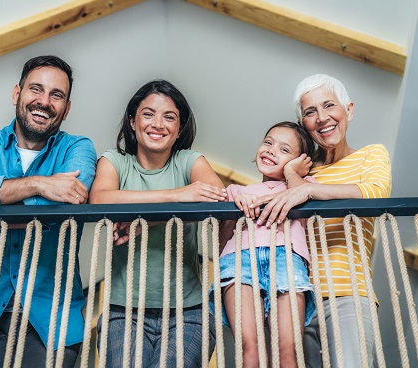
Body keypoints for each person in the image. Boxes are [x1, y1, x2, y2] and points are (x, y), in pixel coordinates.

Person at [0, 55, 97, 367]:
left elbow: (63, 209)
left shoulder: (78, 149)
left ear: (66, 109)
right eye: (36, 89)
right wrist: (39, 184)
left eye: (57, 95)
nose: (44, 102)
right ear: (17, 94)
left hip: (51, 323)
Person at [252, 74, 392, 367]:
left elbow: (376, 195)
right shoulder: (298, 169)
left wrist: (309, 188)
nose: (322, 117)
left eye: (329, 105)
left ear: (349, 110)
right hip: (293, 298)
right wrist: (294, 175)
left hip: (347, 294)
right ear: (304, 124)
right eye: (310, 112)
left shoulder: (370, 155)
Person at [89, 79, 226, 367]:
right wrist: (179, 195)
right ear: (132, 121)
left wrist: (144, 221)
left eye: (169, 117)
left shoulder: (189, 161)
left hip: (188, 313)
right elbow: (100, 199)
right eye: (148, 113)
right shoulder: (114, 162)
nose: (158, 124)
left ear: (179, 128)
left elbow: (217, 198)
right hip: (121, 311)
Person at [215, 121, 317, 367]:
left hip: (287, 260)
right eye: (268, 142)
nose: (272, 150)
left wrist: (293, 173)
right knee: (249, 347)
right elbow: (220, 245)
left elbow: (302, 196)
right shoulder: (235, 191)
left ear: (300, 162)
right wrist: (237, 206)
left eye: (285, 150)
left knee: (288, 350)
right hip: (238, 260)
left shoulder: (305, 187)